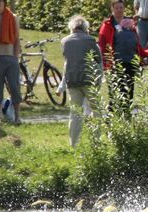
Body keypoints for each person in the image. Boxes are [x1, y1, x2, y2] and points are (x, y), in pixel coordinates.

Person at [99, 0, 148, 118]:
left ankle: (127, 119)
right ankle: (112, 122)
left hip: (130, 63)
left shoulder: (129, 23)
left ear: (124, 8)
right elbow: (102, 45)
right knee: (115, 94)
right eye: (117, 8)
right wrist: (105, 63)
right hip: (115, 64)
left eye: (121, 7)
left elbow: (136, 44)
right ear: (112, 9)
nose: (119, 10)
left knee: (129, 93)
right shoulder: (107, 25)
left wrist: (146, 54)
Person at [62, 15, 103, 147]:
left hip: (72, 80)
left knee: (75, 114)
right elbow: (98, 59)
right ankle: (96, 142)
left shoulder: (65, 41)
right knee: (96, 111)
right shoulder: (90, 40)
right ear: (85, 28)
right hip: (89, 80)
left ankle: (73, 144)